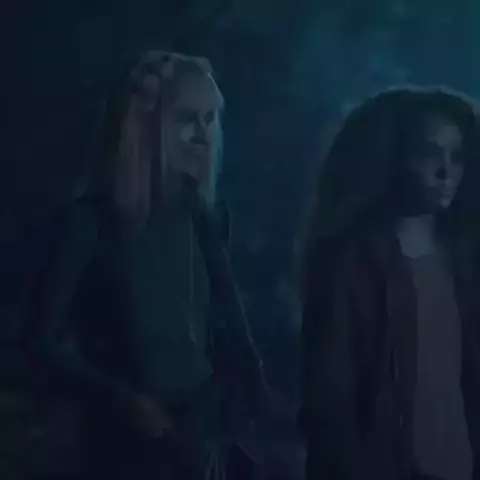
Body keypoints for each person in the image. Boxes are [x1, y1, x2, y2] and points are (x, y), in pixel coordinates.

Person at [34, 50, 264, 480]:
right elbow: (44, 341)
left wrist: (224, 402)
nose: (204, 135)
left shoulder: (208, 218)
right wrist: (121, 399)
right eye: (188, 119)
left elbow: (224, 329)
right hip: (123, 447)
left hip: (200, 435)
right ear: (146, 125)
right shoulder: (89, 222)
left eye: (210, 118)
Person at [298, 86, 480, 480]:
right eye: (429, 154)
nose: (446, 172)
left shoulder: (465, 259)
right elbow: (331, 389)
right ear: (396, 159)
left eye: (457, 157)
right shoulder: (354, 261)